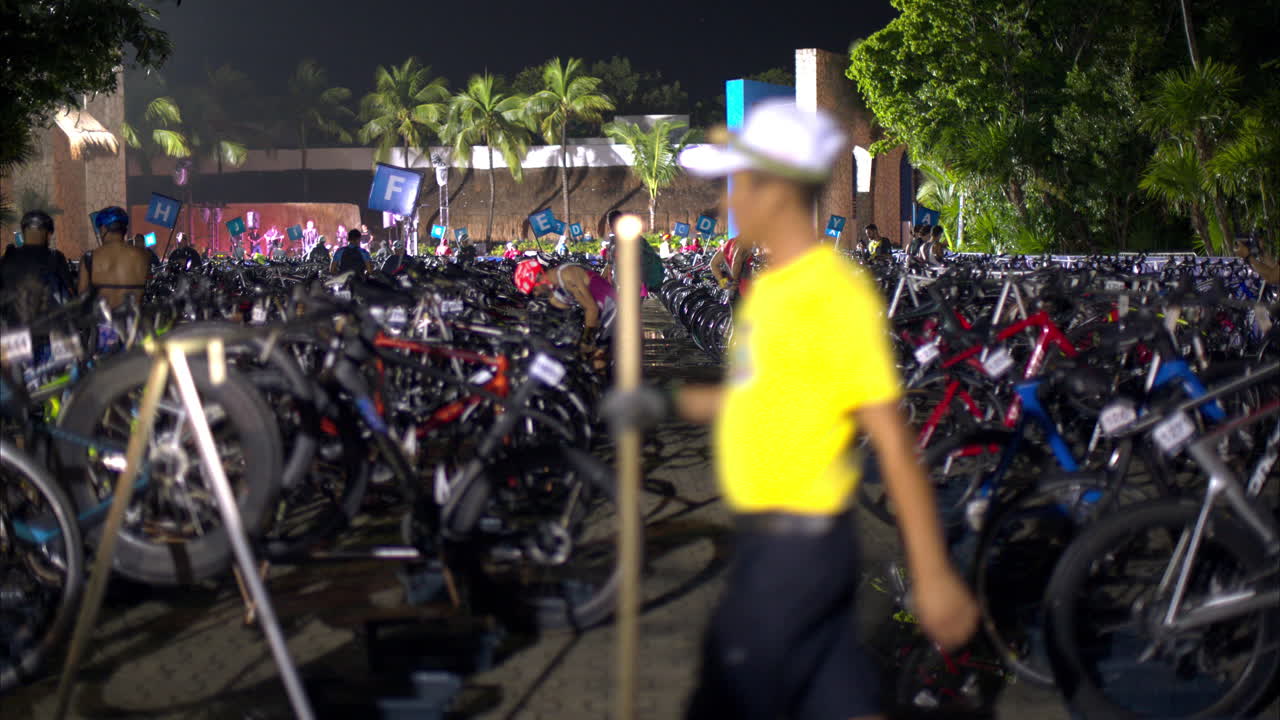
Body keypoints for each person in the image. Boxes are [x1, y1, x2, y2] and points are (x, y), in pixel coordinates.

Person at [611, 100, 978, 720]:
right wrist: (664, 399)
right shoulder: (772, 292)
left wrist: (933, 571)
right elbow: (757, 395)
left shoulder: (831, 296)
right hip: (778, 542)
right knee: (839, 696)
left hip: (796, 549)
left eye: (743, 185)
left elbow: (891, 441)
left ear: (777, 191)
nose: (730, 204)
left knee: (725, 699)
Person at [514, 258, 616, 367]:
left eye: (534, 290)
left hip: (612, 308)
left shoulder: (566, 275)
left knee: (597, 361)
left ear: (539, 277)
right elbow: (556, 314)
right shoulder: (555, 291)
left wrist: (586, 341)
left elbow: (592, 309)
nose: (536, 295)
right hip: (602, 313)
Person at [0, 210, 76, 324]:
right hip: (50, 325)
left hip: (17, 328)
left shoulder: (10, 255)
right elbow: (69, 291)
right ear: (48, 233)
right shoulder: (55, 257)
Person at [79, 206, 152, 308]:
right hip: (132, 321)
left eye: (99, 229)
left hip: (102, 322)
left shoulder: (89, 258)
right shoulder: (143, 257)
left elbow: (82, 299)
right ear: (124, 230)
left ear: (104, 229)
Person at [709, 235, 755, 300]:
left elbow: (713, 264)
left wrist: (723, 282)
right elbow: (736, 261)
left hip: (731, 291)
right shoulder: (746, 243)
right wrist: (735, 281)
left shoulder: (729, 243)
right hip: (746, 291)